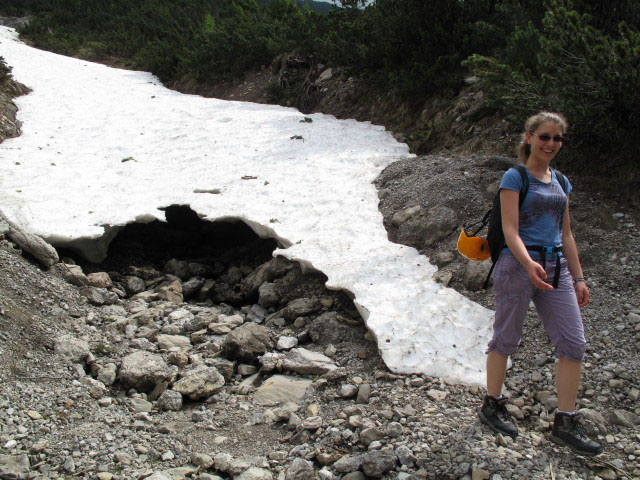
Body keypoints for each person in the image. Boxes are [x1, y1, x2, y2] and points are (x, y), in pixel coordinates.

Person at [478, 112, 603, 456]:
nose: (551, 144)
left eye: (557, 138)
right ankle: (492, 402)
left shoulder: (561, 182)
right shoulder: (514, 177)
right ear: (530, 137)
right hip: (517, 266)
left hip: (556, 267)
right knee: (506, 337)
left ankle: (565, 420)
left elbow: (566, 233)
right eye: (544, 136)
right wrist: (527, 262)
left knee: (573, 343)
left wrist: (578, 277)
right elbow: (510, 229)